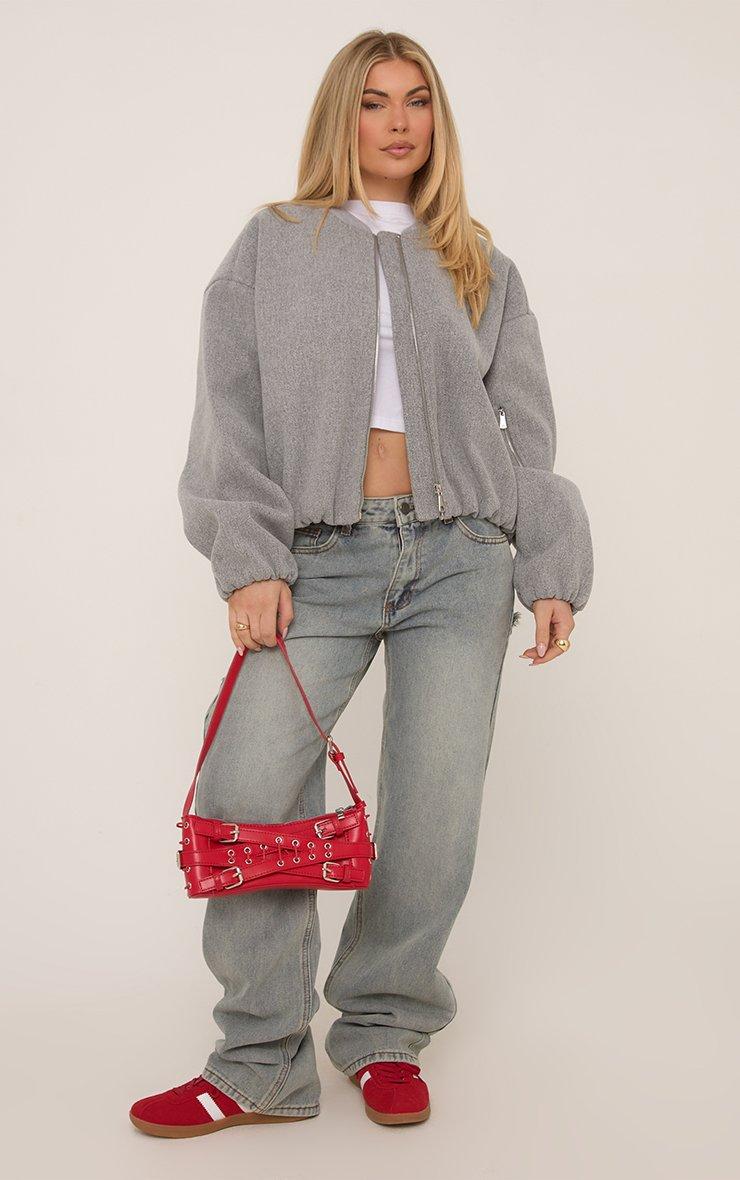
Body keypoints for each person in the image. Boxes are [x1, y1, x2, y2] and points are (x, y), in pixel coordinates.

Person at [129, 28, 593, 1137]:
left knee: (436, 807)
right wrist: (252, 558)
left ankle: (384, 1024)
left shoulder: (479, 260)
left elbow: (525, 429)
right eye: (375, 100)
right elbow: (229, 407)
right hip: (318, 557)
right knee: (248, 786)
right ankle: (259, 1058)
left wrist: (548, 564)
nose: (398, 121)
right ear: (342, 115)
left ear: (437, 120)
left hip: (459, 556)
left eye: (417, 100)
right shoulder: (273, 243)